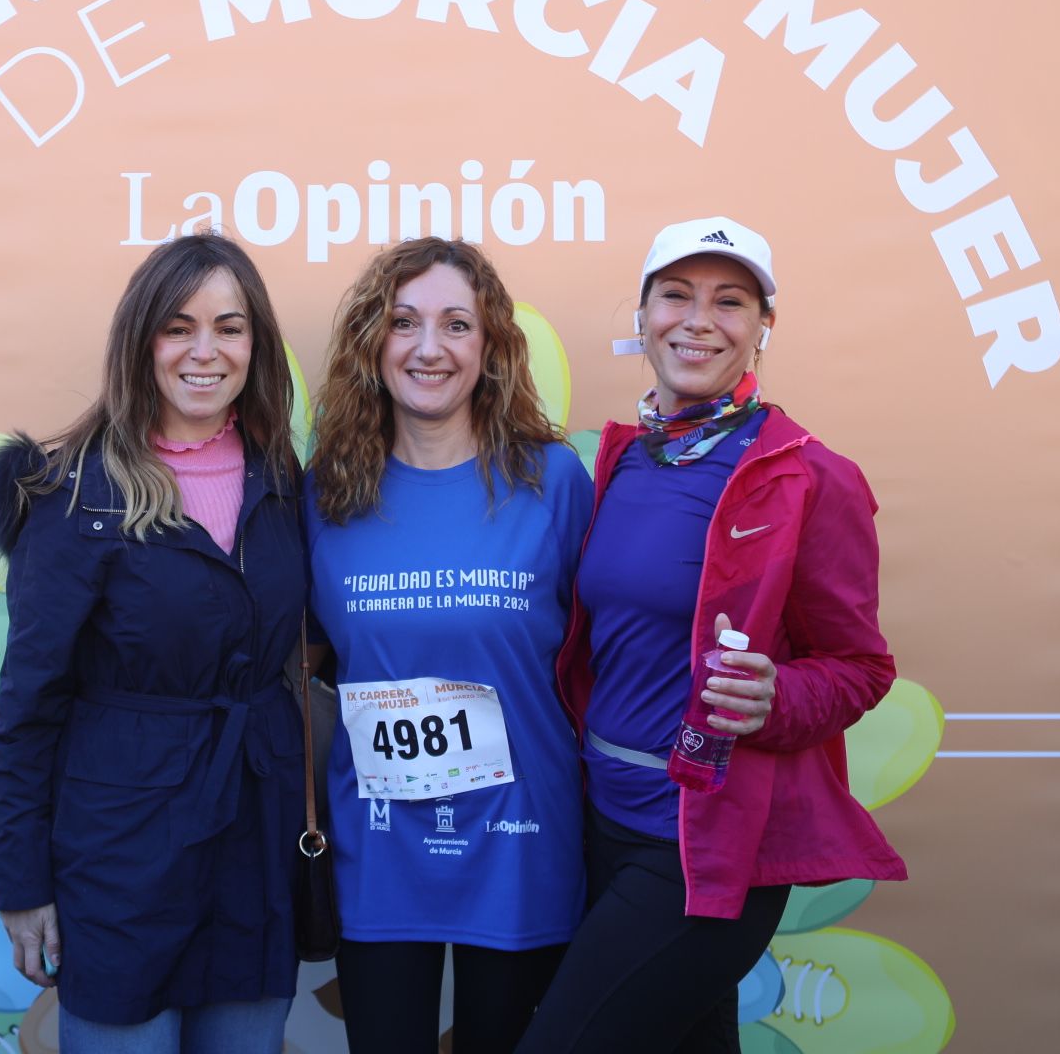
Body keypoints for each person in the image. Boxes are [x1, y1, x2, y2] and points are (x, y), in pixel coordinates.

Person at [517, 216, 906, 1053]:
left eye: (730, 301)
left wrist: (777, 696)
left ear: (764, 326)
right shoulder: (621, 458)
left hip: (701, 846)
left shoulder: (808, 474)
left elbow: (860, 667)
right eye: (676, 296)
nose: (699, 320)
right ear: (644, 316)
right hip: (597, 823)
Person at [0, 233, 307, 1054]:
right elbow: (28, 705)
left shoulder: (284, 478)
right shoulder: (71, 492)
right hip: (119, 852)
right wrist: (21, 884)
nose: (206, 351)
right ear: (140, 341)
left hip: (252, 836)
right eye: (178, 327)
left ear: (256, 344)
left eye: (230, 328)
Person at [305, 237, 593, 1054]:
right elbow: (303, 659)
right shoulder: (325, 494)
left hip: (521, 848)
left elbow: (602, 652)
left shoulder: (554, 483)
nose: (429, 348)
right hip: (380, 849)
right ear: (374, 343)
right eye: (404, 322)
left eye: (457, 325)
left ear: (491, 348)